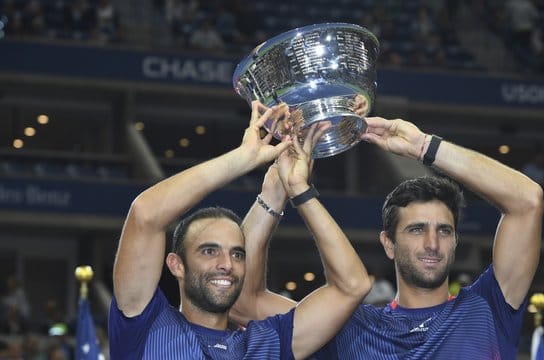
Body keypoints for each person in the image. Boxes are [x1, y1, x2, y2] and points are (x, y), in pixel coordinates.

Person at [233, 116, 544, 359]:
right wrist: (275, 191)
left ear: (455, 241)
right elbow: (244, 303)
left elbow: (527, 201)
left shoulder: (486, 309)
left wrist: (424, 146)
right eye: (417, 229)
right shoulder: (349, 327)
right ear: (388, 244)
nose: (432, 244)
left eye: (444, 230)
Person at [108, 101, 371, 359]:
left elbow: (352, 287)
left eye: (237, 254)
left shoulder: (268, 342)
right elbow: (145, 214)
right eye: (209, 251)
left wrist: (298, 190)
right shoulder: (145, 327)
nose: (226, 264)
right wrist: (243, 159)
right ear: (177, 264)